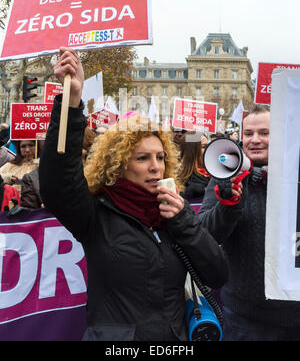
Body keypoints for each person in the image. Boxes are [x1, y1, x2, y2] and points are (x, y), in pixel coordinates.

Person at [39, 47, 228, 342]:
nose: (156, 167)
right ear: (118, 164)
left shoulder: (175, 210)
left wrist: (183, 222)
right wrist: (71, 102)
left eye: (161, 157)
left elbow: (217, 274)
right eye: (142, 159)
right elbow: (57, 182)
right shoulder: (97, 213)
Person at [198, 105, 300, 341]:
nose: (255, 140)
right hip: (246, 318)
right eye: (248, 133)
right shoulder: (225, 172)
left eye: (264, 133)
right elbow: (204, 235)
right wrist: (228, 203)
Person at [178, 132, 209, 210]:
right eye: (204, 147)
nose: (209, 149)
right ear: (192, 152)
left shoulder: (217, 175)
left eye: (208, 145)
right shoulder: (181, 185)